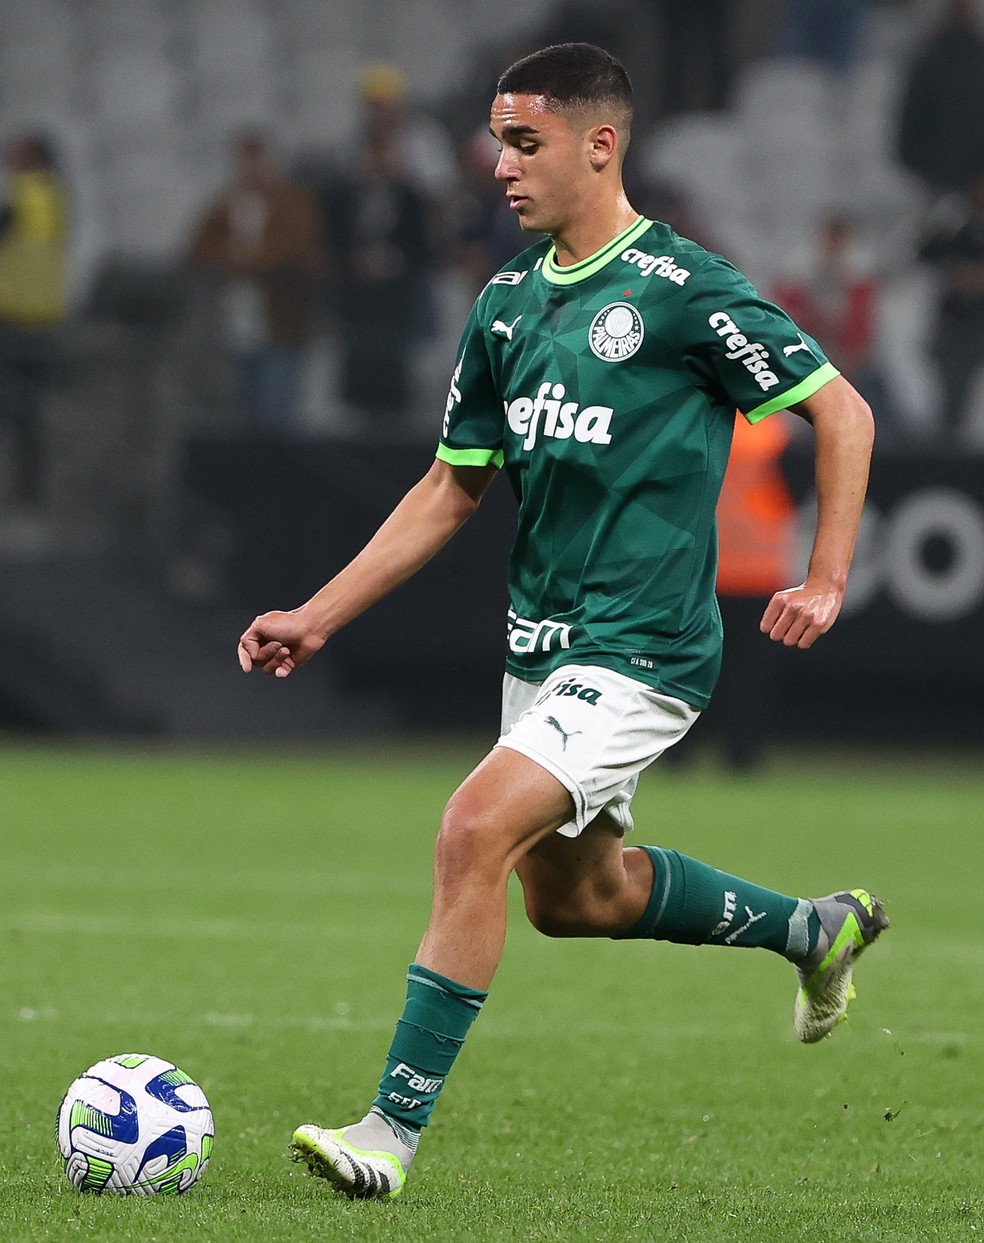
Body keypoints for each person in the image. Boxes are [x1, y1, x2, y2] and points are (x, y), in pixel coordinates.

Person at [238, 44, 884, 1200]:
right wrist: (318, 613)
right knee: (576, 899)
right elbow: (451, 485)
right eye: (497, 139)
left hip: (645, 646)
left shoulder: (683, 292)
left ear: (601, 144)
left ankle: (386, 1137)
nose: (499, 166)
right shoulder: (506, 306)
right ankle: (812, 929)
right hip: (542, 644)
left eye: (523, 141)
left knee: (471, 830)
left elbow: (842, 412)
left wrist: (824, 574)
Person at [189, 131, 322, 432]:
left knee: (276, 410)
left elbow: (294, 249)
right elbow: (198, 250)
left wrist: (245, 260)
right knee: (243, 412)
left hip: (281, 321)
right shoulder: (227, 205)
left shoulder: (292, 201)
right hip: (238, 321)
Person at [0, 132, 69, 508]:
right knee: (27, 414)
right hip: (39, 316)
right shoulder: (54, 195)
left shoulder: (29, 195)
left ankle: (26, 492)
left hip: (17, 319)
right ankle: (28, 490)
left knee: (21, 411)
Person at [916, 172, 984, 438]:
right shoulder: (957, 224)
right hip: (955, 320)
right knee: (950, 388)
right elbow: (926, 255)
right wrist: (956, 273)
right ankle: (950, 442)